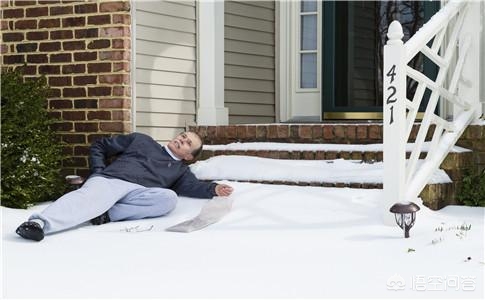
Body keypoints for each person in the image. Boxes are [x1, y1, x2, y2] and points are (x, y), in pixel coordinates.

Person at [15, 131, 233, 241]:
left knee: (169, 199)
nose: (181, 140)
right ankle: (38, 224)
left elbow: (192, 187)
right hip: (112, 180)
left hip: (137, 194)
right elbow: (100, 145)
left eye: (187, 143)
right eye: (182, 136)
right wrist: (99, 172)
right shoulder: (141, 140)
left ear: (188, 156)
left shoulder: (180, 171)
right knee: (87, 199)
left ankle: (106, 215)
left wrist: (213, 189)